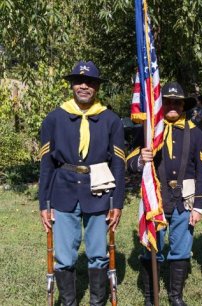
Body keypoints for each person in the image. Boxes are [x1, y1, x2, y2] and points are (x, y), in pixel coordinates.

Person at [39, 61, 125, 306]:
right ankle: (69, 302)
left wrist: (116, 202)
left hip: (99, 192)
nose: (84, 86)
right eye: (79, 81)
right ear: (72, 85)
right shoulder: (55, 118)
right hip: (63, 191)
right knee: (64, 257)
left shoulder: (110, 120)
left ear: (97, 87)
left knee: (98, 254)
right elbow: (46, 164)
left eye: (90, 82)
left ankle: (97, 302)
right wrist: (44, 203)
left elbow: (118, 164)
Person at [127, 81, 202, 306]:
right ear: (161, 104)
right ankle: (151, 296)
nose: (172, 105)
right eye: (168, 101)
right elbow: (129, 161)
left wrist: (200, 206)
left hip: (185, 200)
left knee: (181, 250)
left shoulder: (197, 133)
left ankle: (176, 297)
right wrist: (140, 159)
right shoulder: (148, 132)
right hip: (156, 200)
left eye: (177, 102)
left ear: (183, 106)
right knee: (152, 249)